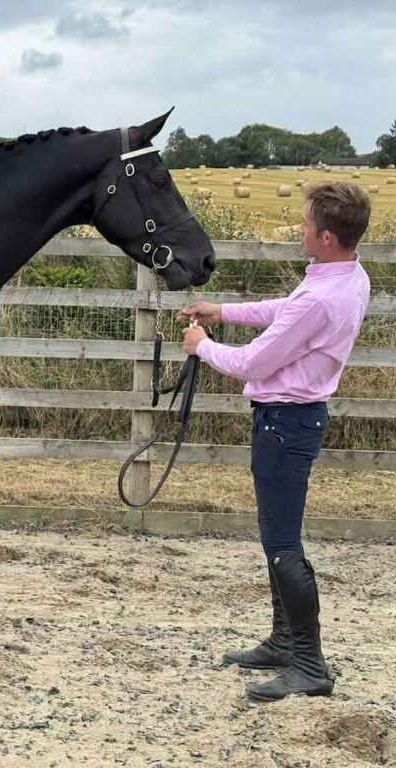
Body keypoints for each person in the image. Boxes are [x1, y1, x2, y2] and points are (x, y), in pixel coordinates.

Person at [178, 181, 371, 701]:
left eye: (307, 223)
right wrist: (223, 311)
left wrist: (202, 346)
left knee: (283, 545)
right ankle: (286, 642)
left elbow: (254, 362)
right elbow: (287, 310)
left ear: (326, 236)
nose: (300, 229)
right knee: (276, 538)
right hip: (292, 421)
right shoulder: (345, 277)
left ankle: (309, 663)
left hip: (285, 422)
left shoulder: (323, 296)